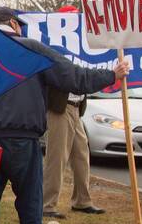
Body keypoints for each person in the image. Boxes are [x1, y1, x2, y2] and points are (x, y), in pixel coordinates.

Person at [0, 7, 127, 224]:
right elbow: (75, 77)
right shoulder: (32, 50)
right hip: (22, 138)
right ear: (14, 26)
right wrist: (112, 75)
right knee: (29, 199)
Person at [43, 88, 102, 217]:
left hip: (77, 108)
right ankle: (47, 205)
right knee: (57, 158)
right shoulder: (60, 66)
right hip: (61, 109)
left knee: (81, 156)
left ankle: (82, 201)